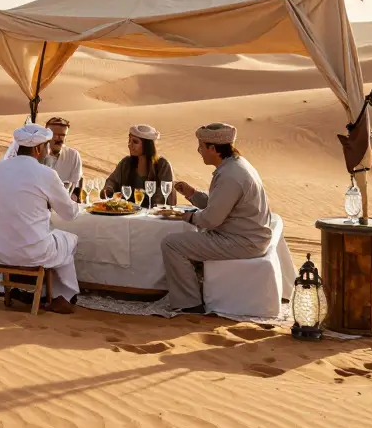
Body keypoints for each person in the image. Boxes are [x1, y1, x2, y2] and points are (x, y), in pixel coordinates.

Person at [161, 123, 274, 313]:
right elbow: (220, 205)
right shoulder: (236, 165)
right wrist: (192, 194)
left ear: (213, 148)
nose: (199, 151)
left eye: (201, 146)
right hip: (247, 236)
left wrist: (185, 216)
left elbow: (211, 220)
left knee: (172, 243)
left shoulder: (231, 175)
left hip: (243, 241)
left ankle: (189, 304)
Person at [0, 124, 82, 314]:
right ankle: (64, 296)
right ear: (37, 149)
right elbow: (69, 214)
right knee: (71, 240)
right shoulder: (46, 174)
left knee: (11, 237)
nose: (48, 150)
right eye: (46, 146)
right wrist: (72, 202)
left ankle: (10, 289)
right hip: (34, 252)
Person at [102, 124, 175, 207]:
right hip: (126, 214)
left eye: (135, 142)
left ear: (147, 145)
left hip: (152, 216)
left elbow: (166, 198)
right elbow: (112, 181)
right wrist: (108, 189)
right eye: (129, 140)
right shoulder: (126, 163)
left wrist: (142, 197)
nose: (130, 145)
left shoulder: (163, 166)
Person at [43, 117, 84, 201]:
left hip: (63, 206)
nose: (59, 138)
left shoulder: (73, 155)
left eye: (62, 135)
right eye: (54, 134)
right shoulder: (37, 154)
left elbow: (75, 185)